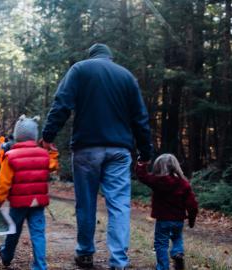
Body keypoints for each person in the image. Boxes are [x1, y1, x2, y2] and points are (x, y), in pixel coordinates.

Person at [41, 43, 153, 270]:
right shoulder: (127, 76)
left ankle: (84, 253)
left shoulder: (80, 69)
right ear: (110, 58)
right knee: (119, 204)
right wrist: (145, 153)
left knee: (86, 203)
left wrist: (48, 134)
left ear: (91, 55)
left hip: (86, 148)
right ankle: (119, 261)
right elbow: (140, 118)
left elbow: (62, 103)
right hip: (120, 151)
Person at [0, 115, 50, 270]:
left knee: (13, 231)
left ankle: (7, 255)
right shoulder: (44, 154)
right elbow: (52, 166)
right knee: (38, 234)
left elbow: (3, 186)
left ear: (17, 135)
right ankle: (40, 265)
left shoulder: (10, 157)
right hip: (38, 202)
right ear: (35, 135)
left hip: (19, 204)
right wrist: (53, 151)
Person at [136, 154, 198, 270]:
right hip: (178, 220)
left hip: (163, 220)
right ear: (176, 166)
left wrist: (141, 163)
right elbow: (192, 205)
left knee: (161, 244)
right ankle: (177, 252)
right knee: (177, 238)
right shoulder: (183, 183)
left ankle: (163, 267)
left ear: (158, 167)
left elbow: (142, 176)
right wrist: (191, 220)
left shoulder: (156, 180)